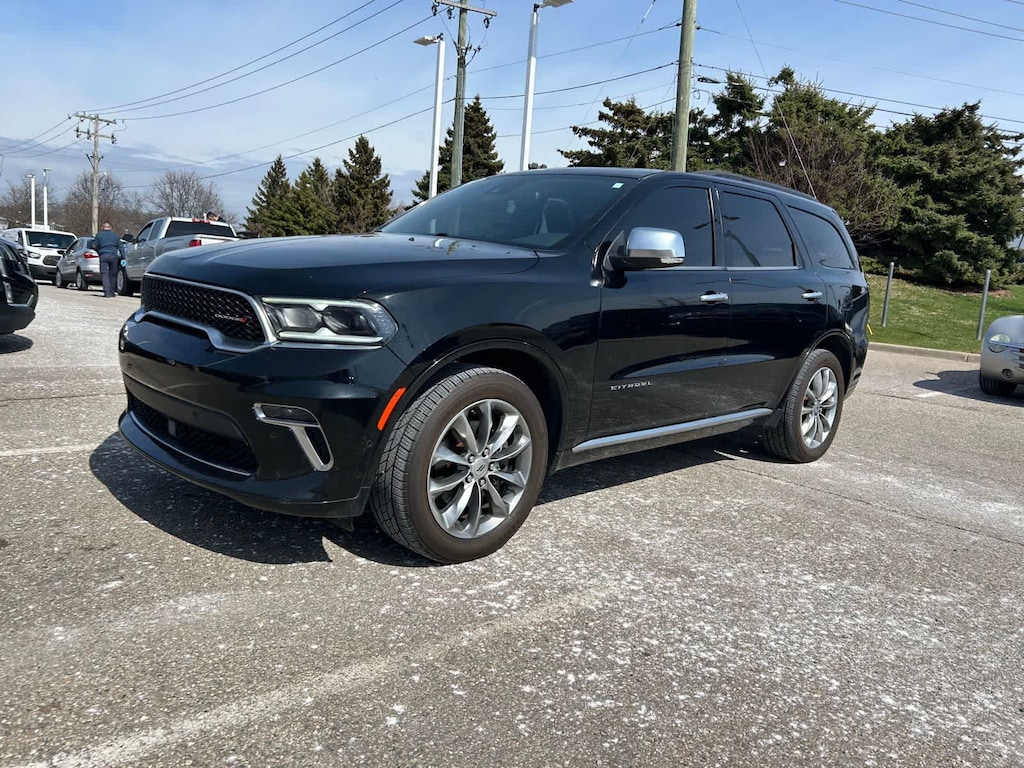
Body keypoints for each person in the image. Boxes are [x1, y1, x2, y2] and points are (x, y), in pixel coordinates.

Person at [90, 222, 126, 298]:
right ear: (110, 228)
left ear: (102, 228)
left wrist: (98, 251)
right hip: (113, 256)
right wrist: (123, 258)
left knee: (104, 274)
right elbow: (121, 247)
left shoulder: (99, 235)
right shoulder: (116, 236)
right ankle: (112, 291)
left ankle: (107, 292)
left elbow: (93, 245)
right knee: (113, 274)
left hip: (103, 256)